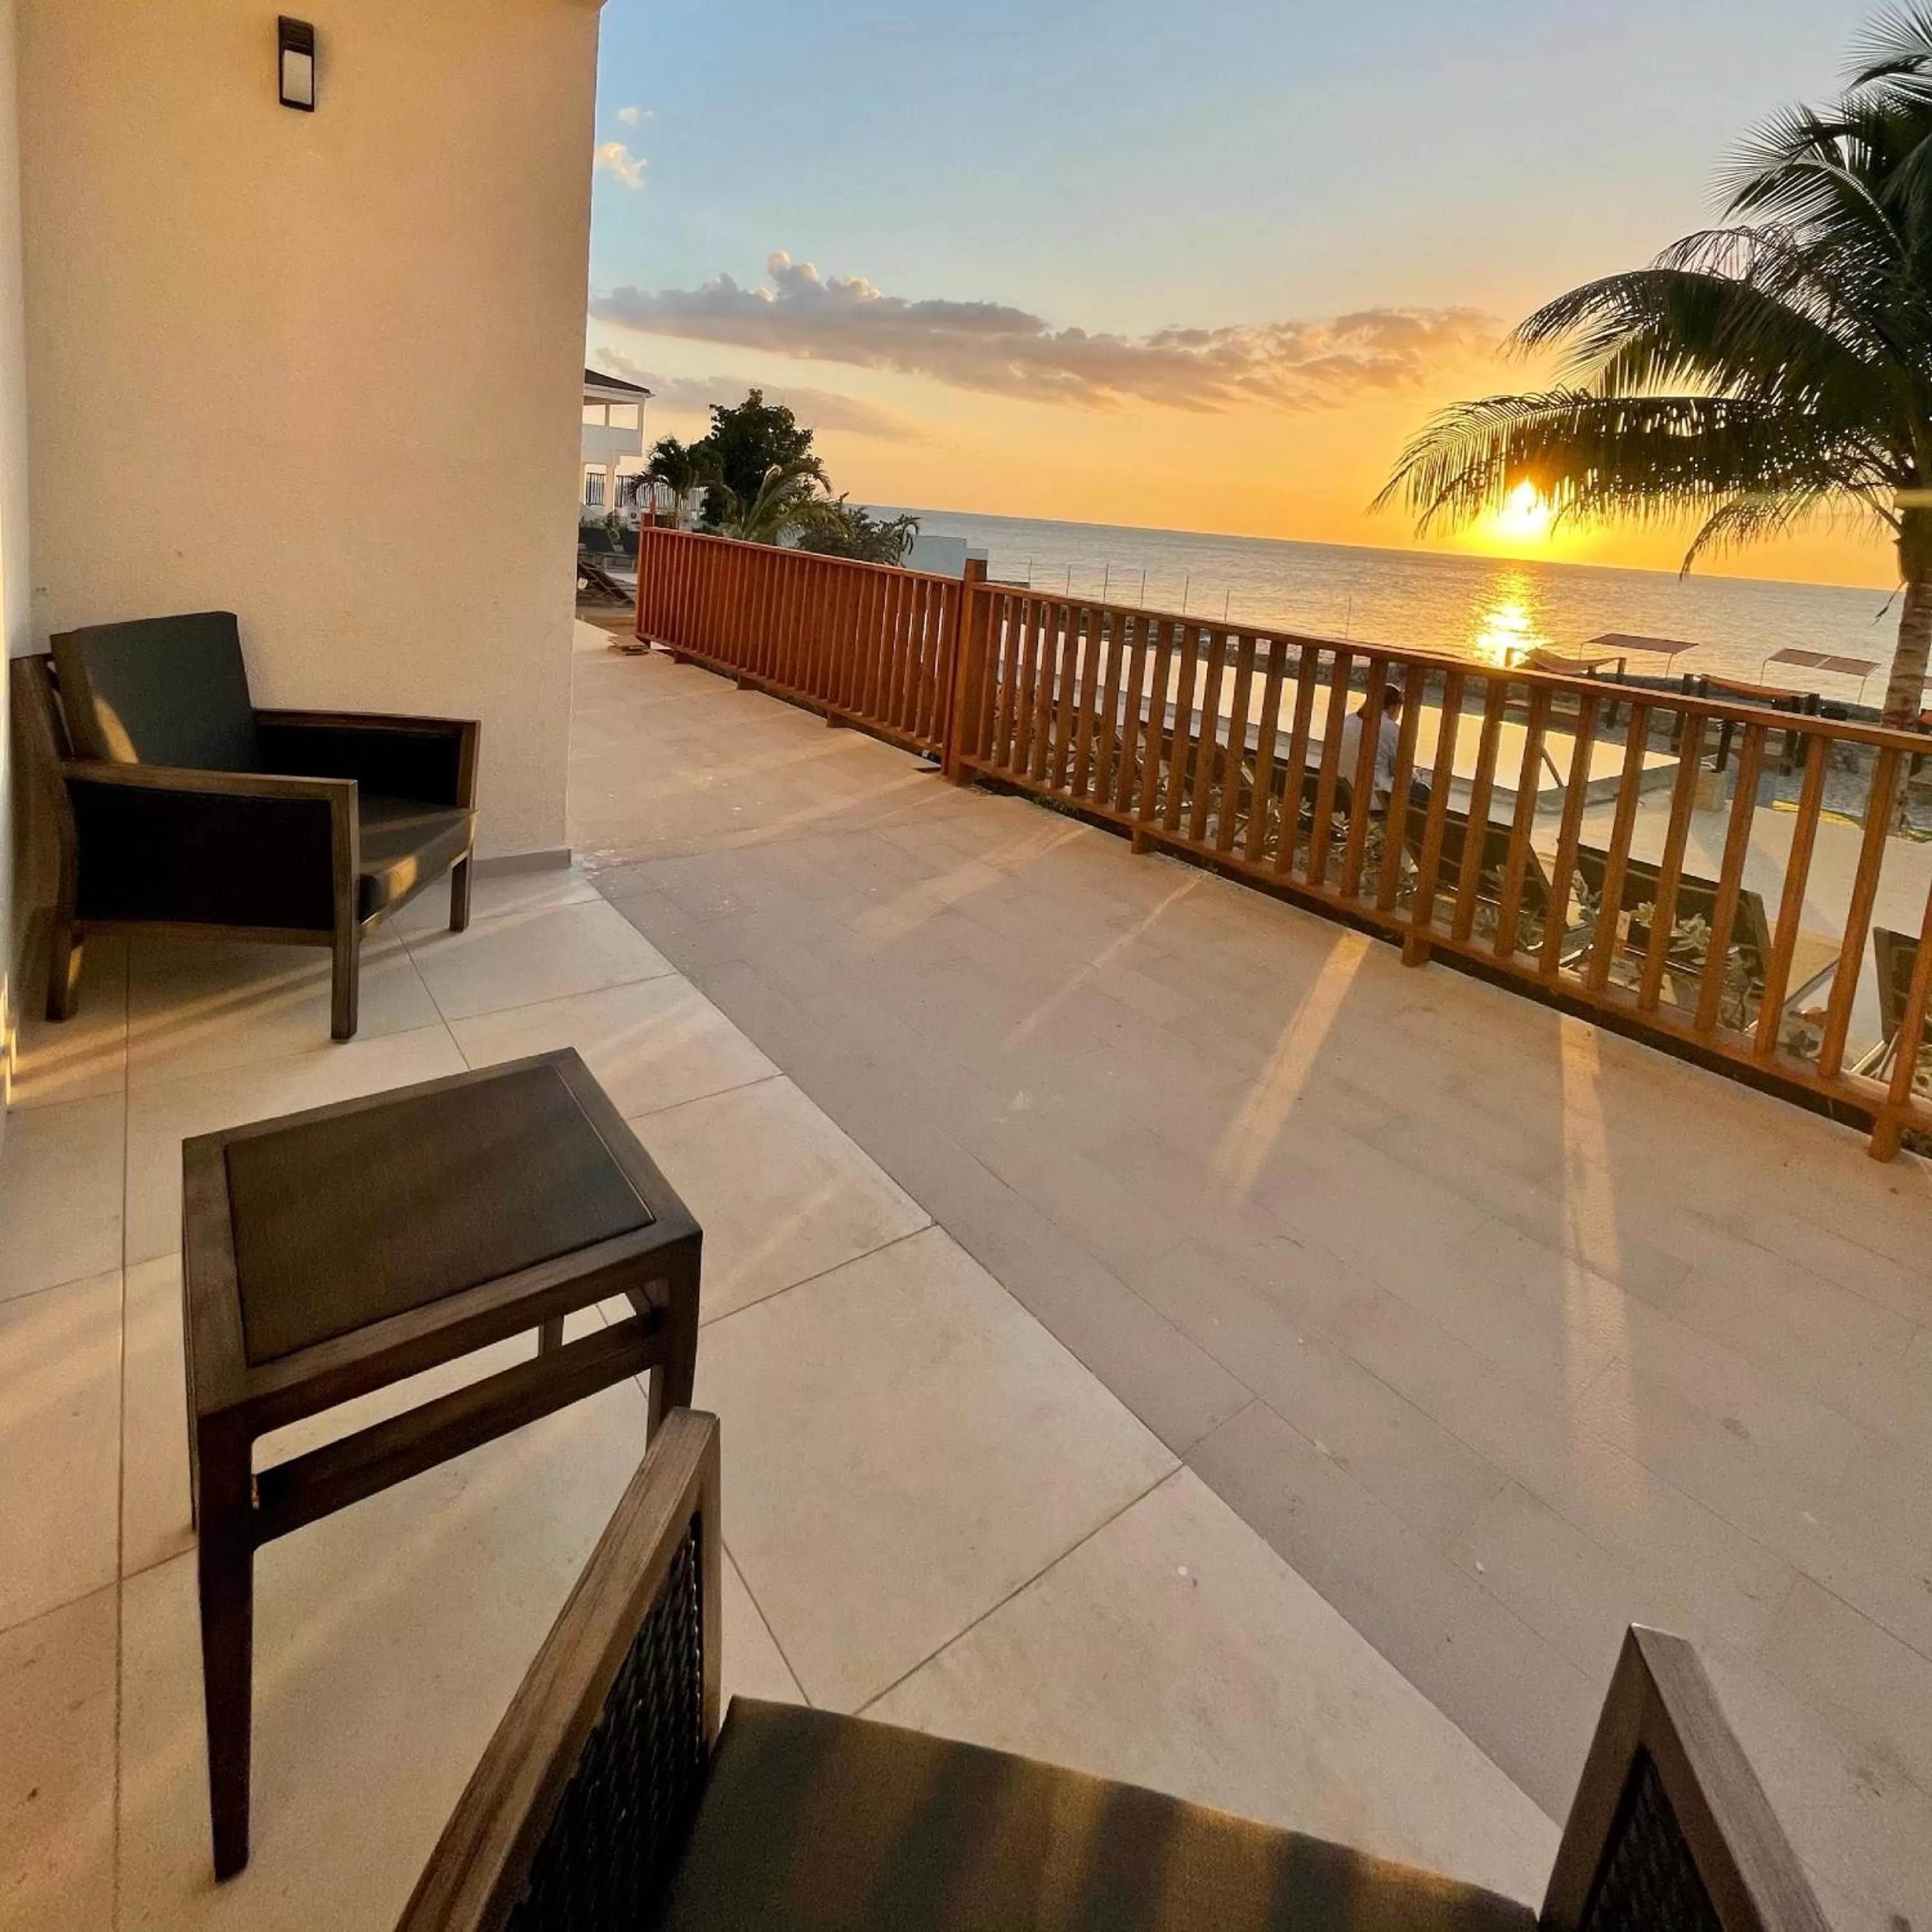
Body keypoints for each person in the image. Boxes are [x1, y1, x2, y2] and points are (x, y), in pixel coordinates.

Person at [1335, 681, 1428, 813]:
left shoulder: (1348, 720)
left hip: (1341, 793)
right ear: (1395, 707)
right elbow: (1402, 771)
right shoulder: (1391, 730)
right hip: (1374, 799)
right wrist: (1416, 776)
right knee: (1422, 791)